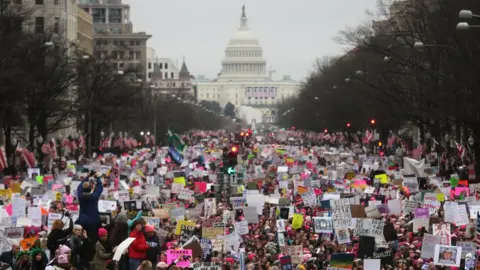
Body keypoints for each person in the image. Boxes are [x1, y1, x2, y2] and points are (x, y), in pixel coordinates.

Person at [76, 171, 103, 246]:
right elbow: (100, 188)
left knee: (82, 240)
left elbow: (79, 187)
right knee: (93, 241)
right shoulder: (94, 197)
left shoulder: (80, 197)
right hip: (94, 222)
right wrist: (97, 178)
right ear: (91, 188)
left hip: (82, 221)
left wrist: (87, 177)